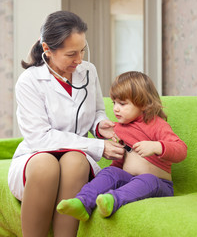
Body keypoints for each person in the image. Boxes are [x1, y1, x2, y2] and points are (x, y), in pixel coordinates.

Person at [8, 11, 124, 237]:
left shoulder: (88, 71)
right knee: (45, 166)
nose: (79, 60)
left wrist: (100, 126)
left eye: (82, 50)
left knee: (75, 161)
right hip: (36, 155)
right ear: (47, 49)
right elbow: (40, 138)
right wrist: (98, 147)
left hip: (78, 157)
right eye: (71, 54)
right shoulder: (29, 81)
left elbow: (97, 111)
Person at [57, 71, 187, 221]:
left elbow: (181, 150)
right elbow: (120, 160)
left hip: (159, 185)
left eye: (122, 104)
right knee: (110, 171)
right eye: (114, 103)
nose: (115, 109)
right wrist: (111, 172)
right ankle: (82, 202)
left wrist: (157, 146)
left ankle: (112, 200)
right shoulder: (119, 129)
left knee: (147, 180)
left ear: (144, 104)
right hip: (129, 180)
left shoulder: (156, 124)